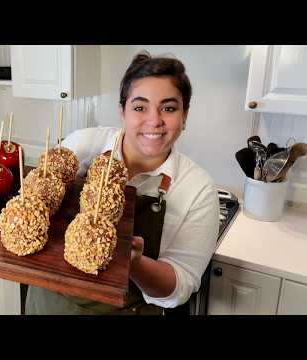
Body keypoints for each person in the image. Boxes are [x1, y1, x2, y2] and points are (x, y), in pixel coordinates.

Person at [25, 51, 220, 315]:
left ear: (184, 116)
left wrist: (136, 264)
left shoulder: (198, 189)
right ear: (122, 111)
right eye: (140, 107)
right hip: (50, 304)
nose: (154, 120)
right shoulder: (82, 146)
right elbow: (38, 200)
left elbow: (180, 288)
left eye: (169, 108)